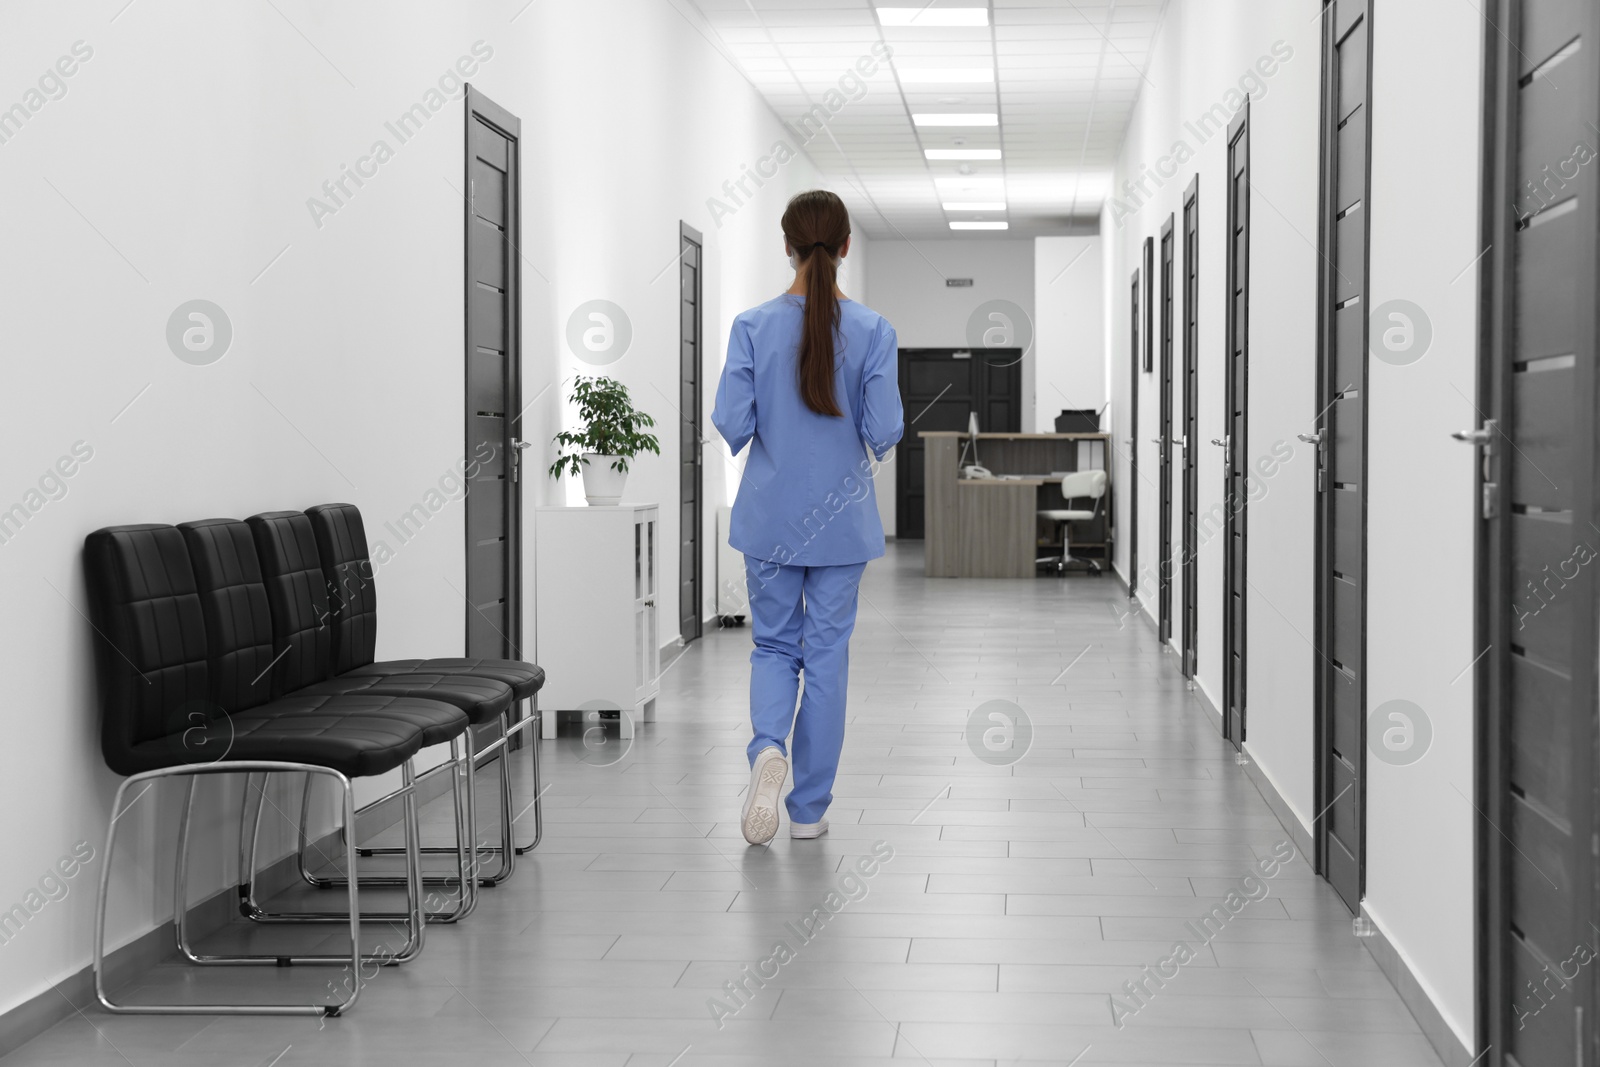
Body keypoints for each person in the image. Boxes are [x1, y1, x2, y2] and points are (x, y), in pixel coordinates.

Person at [712, 189, 904, 846]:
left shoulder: (751, 326)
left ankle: (768, 746)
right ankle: (809, 809)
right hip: (841, 525)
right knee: (826, 657)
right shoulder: (875, 330)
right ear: (846, 247)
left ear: (787, 247)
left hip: (768, 519)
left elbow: (732, 424)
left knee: (772, 645)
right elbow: (885, 430)